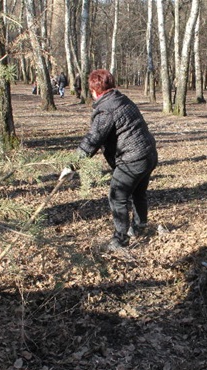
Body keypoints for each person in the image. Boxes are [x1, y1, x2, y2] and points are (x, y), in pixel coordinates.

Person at [60, 69, 158, 252]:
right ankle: (140, 226)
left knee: (117, 196)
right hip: (148, 154)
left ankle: (120, 240)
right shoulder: (122, 99)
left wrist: (72, 165)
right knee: (138, 193)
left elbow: (93, 139)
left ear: (94, 91)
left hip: (133, 159)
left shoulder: (106, 109)